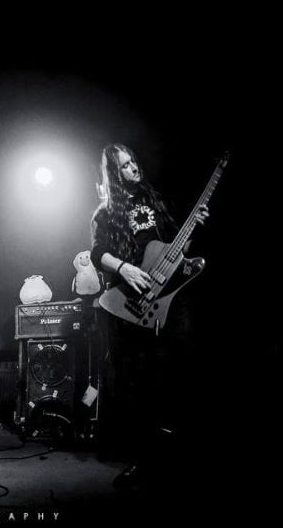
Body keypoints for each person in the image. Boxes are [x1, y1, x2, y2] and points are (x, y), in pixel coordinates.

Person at [90, 143, 208, 489]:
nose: (133, 168)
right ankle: (141, 459)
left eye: (133, 162)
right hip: (133, 300)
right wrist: (123, 268)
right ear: (114, 174)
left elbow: (176, 249)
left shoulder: (157, 201)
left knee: (178, 369)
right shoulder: (105, 212)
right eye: (125, 166)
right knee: (137, 379)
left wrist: (194, 228)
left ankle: (176, 454)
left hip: (170, 296)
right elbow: (96, 252)